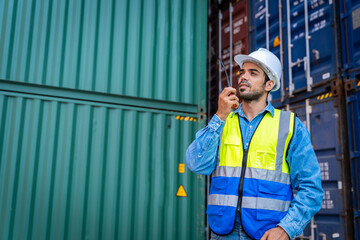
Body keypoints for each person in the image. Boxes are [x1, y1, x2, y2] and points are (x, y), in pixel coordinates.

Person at [186, 48, 324, 240]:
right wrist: (219, 116)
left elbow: (311, 188)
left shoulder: (290, 126)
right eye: (242, 72)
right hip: (223, 234)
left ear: (269, 84)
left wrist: (286, 229)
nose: (243, 77)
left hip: (267, 235)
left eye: (253, 73)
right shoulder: (223, 122)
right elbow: (196, 164)